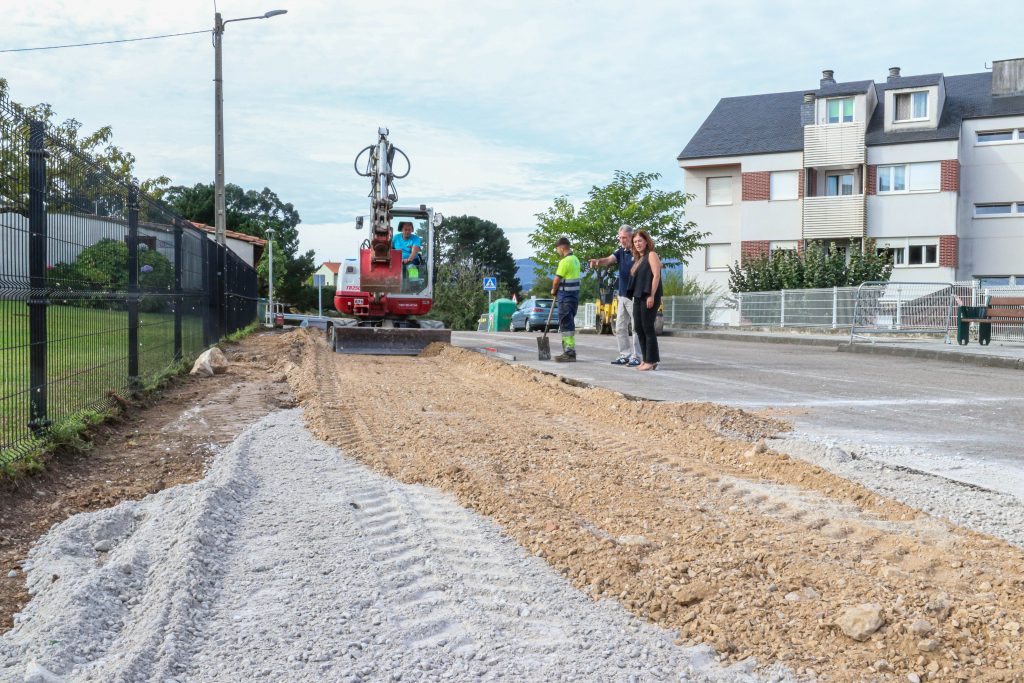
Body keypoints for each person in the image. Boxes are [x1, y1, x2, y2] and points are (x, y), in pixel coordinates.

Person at [588, 224, 641, 367]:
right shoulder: (621, 251)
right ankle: (625, 354)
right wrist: (598, 262)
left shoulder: (638, 251)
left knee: (636, 327)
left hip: (635, 295)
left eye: (625, 238)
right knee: (620, 327)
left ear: (631, 236)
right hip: (622, 295)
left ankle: (637, 356)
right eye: (620, 238)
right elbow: (609, 260)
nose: (622, 240)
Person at [626, 230, 662, 371]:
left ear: (646, 241)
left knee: (647, 327)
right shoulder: (638, 259)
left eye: (640, 241)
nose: (637, 244)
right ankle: (646, 359)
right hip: (638, 296)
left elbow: (656, 276)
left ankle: (651, 360)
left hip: (649, 296)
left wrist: (651, 295)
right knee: (639, 328)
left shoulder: (651, 255)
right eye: (635, 242)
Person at [551, 236, 581, 363]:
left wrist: (553, 290)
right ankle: (569, 350)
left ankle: (569, 352)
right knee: (569, 323)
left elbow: (556, 280)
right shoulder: (576, 260)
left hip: (565, 298)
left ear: (562, 248)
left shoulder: (564, 262)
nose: (557, 251)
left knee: (566, 324)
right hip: (574, 297)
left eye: (557, 249)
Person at [391, 221, 422, 285]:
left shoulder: (415, 238)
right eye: (405, 229)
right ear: (401, 230)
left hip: (412, 261)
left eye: (409, 230)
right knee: (393, 270)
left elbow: (414, 251)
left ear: (412, 230)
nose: (407, 231)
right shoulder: (395, 238)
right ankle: (393, 284)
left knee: (411, 267)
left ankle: (415, 284)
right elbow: (391, 250)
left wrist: (408, 260)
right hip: (397, 261)